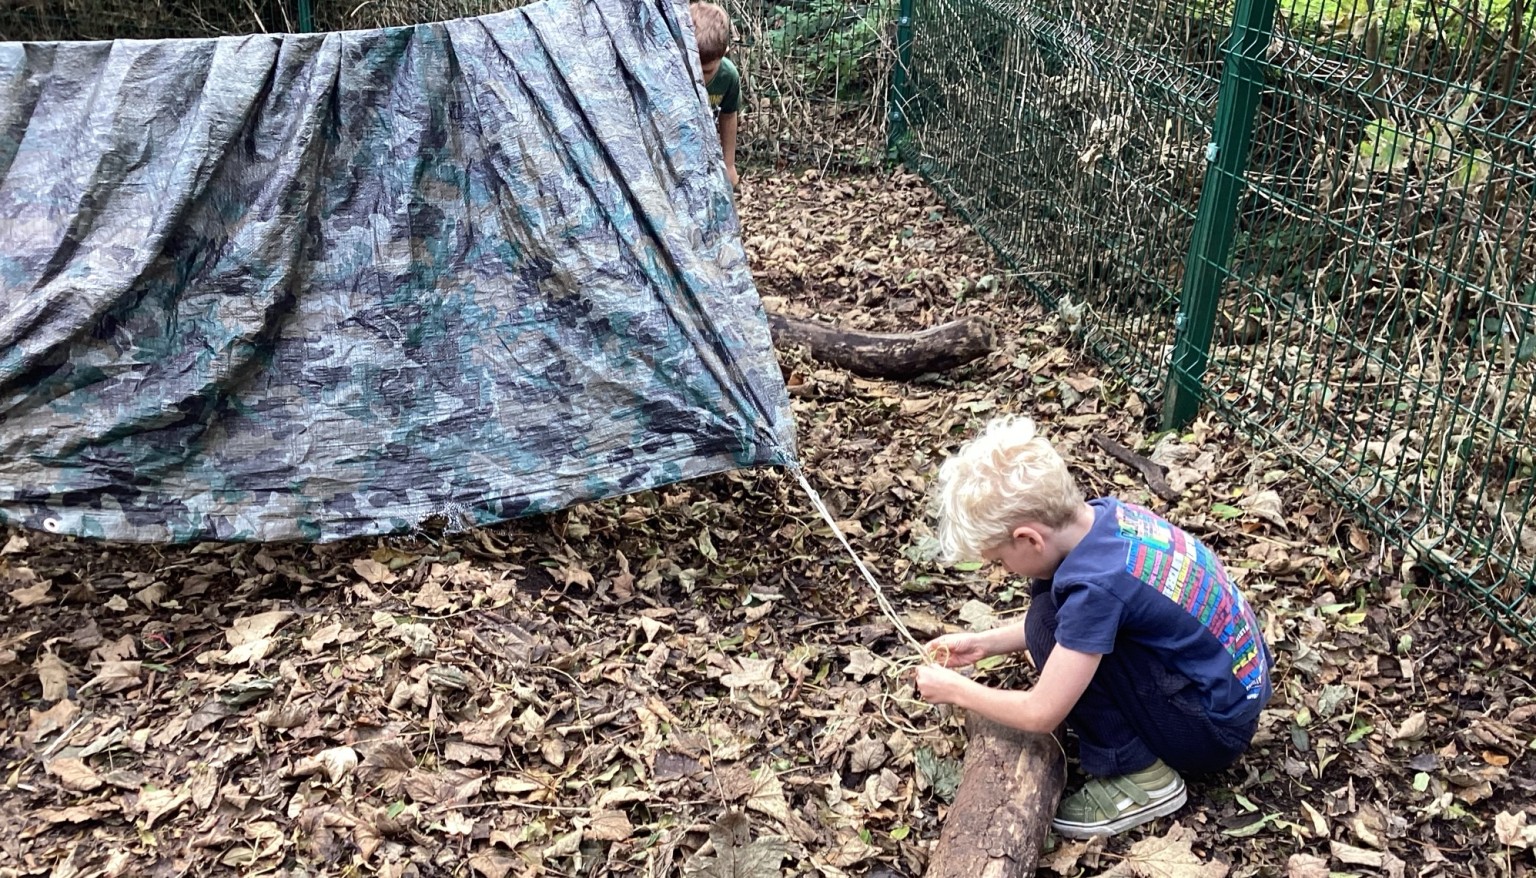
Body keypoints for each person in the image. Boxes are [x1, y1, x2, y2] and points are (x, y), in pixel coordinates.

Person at [914, 415, 1274, 839]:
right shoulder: (1107, 520)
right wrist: (984, 643)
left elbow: (1041, 711)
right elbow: (1097, 617)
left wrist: (956, 691)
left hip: (1208, 733)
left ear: (1030, 539)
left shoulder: (1095, 590)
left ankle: (1140, 778)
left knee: (1045, 623)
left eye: (999, 559)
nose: (1004, 571)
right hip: (1230, 694)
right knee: (1046, 611)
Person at [688, 1, 740, 187]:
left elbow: (728, 116)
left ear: (724, 53)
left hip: (706, 151)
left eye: (707, 71)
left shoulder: (728, 77)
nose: (700, 77)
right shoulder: (673, 73)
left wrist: (729, 164)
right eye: (694, 68)